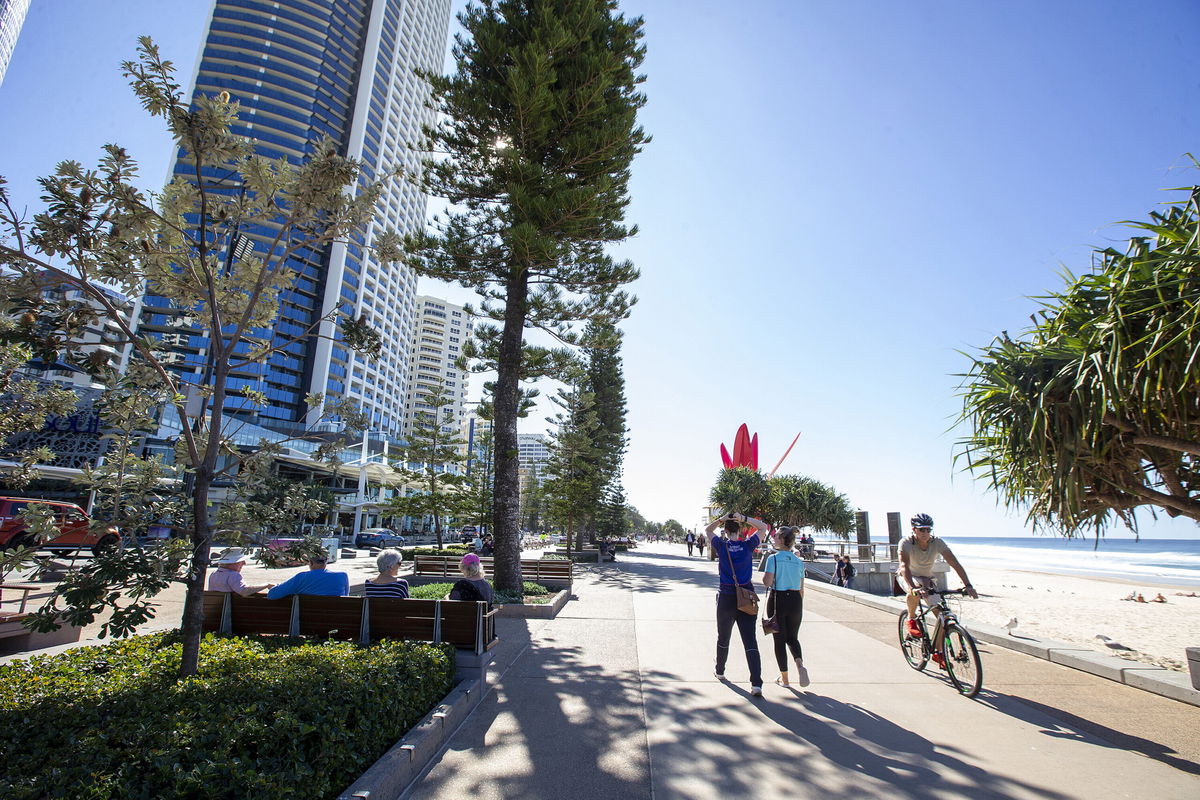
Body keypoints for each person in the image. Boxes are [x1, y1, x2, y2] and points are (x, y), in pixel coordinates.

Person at [706, 511, 769, 696]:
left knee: (723, 637)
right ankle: (756, 683)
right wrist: (744, 518)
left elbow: (708, 530)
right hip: (746, 596)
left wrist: (722, 519)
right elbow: (763, 527)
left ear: (725, 530)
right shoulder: (748, 545)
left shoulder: (721, 545)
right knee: (750, 640)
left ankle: (720, 670)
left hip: (726, 596)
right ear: (740, 530)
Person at [900, 514, 977, 652]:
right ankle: (911, 619)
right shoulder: (906, 542)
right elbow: (904, 565)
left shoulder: (937, 543)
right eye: (921, 530)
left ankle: (938, 652)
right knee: (915, 591)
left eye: (928, 530)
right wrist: (912, 587)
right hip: (908, 577)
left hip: (927, 579)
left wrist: (968, 585)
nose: (925, 533)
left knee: (943, 616)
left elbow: (954, 563)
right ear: (914, 530)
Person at [761, 526, 809, 688]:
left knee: (779, 640)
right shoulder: (798, 561)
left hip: (778, 599)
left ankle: (785, 679)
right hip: (796, 600)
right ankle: (800, 665)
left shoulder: (773, 559)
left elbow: (767, 582)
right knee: (793, 638)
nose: (773, 539)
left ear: (782, 539)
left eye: (775, 537)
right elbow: (802, 588)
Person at [266, 551, 349, 599]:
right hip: (335, 623)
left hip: (306, 623)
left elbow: (272, 595)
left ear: (311, 563)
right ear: (326, 562)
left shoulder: (301, 577)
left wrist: (276, 586)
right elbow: (346, 598)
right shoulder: (342, 576)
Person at [208, 548, 273, 596]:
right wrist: (266, 585)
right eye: (241, 561)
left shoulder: (213, 574)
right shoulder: (233, 575)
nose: (244, 563)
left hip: (215, 608)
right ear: (232, 563)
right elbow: (244, 591)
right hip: (228, 609)